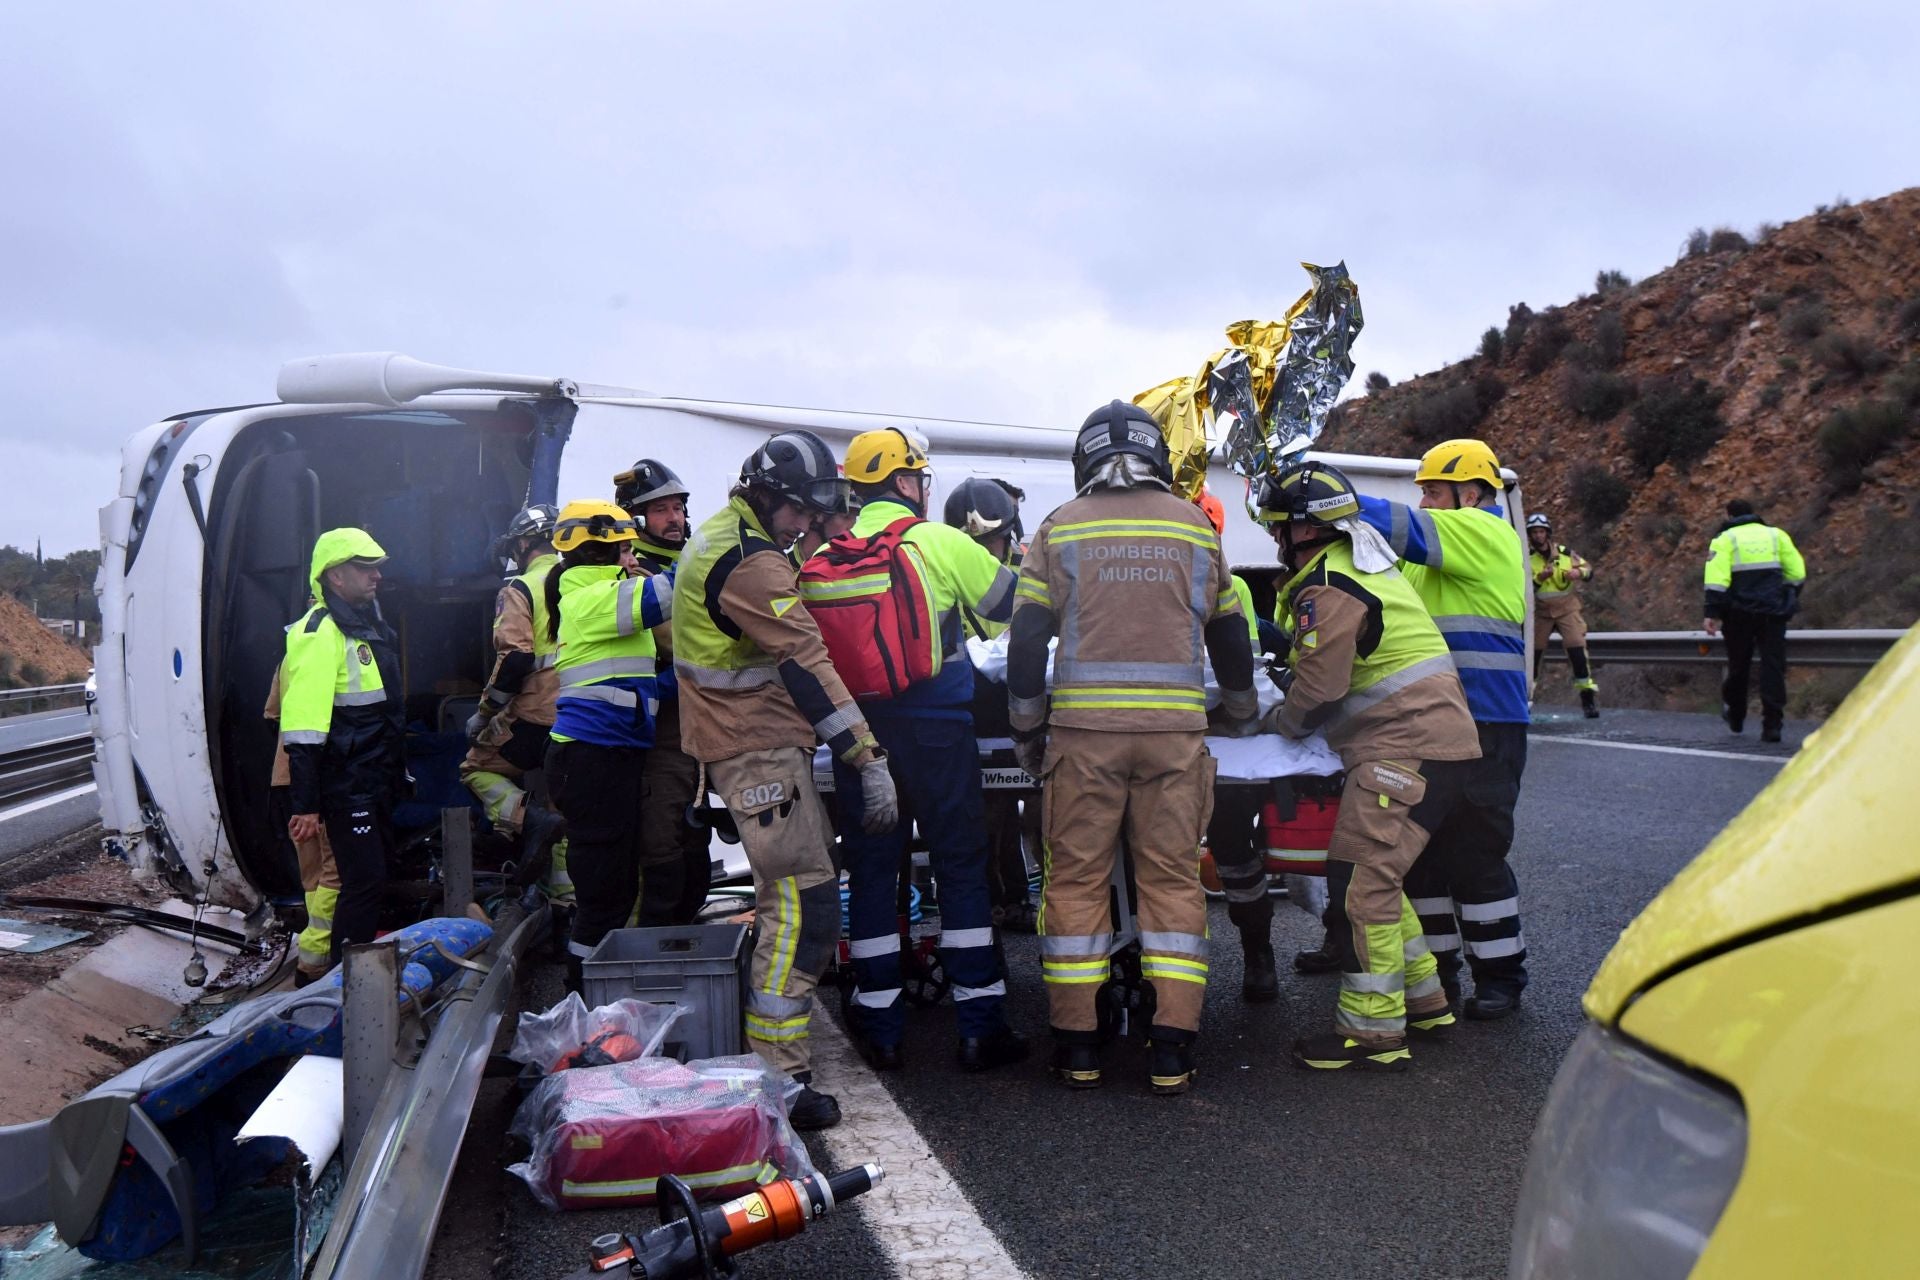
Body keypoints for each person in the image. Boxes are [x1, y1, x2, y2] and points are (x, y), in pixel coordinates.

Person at [1008, 401, 1259, 1094]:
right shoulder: (1193, 528)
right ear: (1156, 456)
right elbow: (1231, 637)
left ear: (1085, 458)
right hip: (1175, 741)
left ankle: (1078, 1048)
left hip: (1084, 743)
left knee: (1076, 884)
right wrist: (1239, 712)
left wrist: (1028, 728)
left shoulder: (1058, 530)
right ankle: (1173, 1051)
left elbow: (1027, 639)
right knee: (1174, 885)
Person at [673, 431, 899, 1131]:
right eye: (800, 513)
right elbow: (806, 662)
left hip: (753, 742)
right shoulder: (750, 562)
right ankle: (781, 1076)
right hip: (756, 748)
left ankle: (779, 1058)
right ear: (768, 498)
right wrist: (866, 756)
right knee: (804, 907)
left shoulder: (727, 537)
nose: (806, 527)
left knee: (793, 898)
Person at [808, 431, 1027, 1074]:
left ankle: (881, 1027)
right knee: (960, 865)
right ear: (908, 484)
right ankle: (979, 1025)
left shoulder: (827, 554)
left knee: (874, 872)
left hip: (860, 738)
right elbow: (1010, 610)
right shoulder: (936, 541)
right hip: (937, 726)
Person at [1255, 460, 1482, 1069]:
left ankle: (1372, 1032)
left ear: (1302, 529)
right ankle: (1426, 1001)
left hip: (1404, 748)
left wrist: (1279, 724)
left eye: (1278, 526)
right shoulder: (1359, 565)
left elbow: (1321, 690)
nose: (1275, 538)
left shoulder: (1326, 583)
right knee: (1382, 878)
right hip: (1429, 745)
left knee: (1360, 883)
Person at [1352, 438, 1532, 1020]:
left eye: (1432, 490)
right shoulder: (1428, 554)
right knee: (1421, 857)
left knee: (1475, 854)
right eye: (1423, 491)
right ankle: (1440, 978)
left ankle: (1500, 979)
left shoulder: (1484, 532)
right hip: (1430, 724)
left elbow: (1397, 524)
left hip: (1487, 722)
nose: (1424, 501)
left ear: (1472, 493)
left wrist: (1337, 497)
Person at [542, 499, 675, 985]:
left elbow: (631, 681)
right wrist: (704, 550)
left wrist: (679, 681)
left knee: (615, 889)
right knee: (603, 897)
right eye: (625, 547)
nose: (631, 556)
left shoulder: (602, 596)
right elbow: (669, 595)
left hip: (604, 757)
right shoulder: (590, 599)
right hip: (591, 760)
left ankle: (595, 993)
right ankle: (580, 997)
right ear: (607, 552)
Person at [278, 528, 406, 963]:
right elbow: (305, 730)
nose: (376, 577)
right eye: (364, 568)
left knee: (371, 881)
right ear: (335, 576)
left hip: (370, 780)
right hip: (345, 786)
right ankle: (344, 988)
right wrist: (306, 805)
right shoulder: (321, 633)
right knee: (362, 884)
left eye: (377, 568)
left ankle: (353, 983)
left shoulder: (364, 627)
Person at [614, 459, 713, 922]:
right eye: (661, 511)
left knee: (696, 834)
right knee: (664, 836)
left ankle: (684, 932)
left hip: (706, 723)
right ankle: (653, 943)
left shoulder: (690, 562)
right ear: (636, 519)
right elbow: (677, 645)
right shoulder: (635, 577)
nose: (674, 519)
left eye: (677, 508)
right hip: (664, 727)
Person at [1192, 486, 1280, 1002]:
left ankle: (1256, 955)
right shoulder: (1232, 583)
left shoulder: (1224, 585)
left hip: (1200, 740)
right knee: (1233, 852)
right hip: (1222, 742)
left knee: (1223, 851)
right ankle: (1258, 957)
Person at [943, 476, 1040, 933]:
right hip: (972, 718)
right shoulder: (942, 583)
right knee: (985, 822)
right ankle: (997, 907)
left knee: (1043, 820)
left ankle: (1048, 906)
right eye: (973, 545)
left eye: (991, 543)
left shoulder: (1029, 578)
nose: (982, 556)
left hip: (1027, 712)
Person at [460, 505, 570, 898]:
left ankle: (528, 820)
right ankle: (566, 906)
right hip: (581, 719)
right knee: (563, 811)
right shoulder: (579, 581)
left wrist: (485, 713)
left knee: (476, 767)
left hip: (535, 715)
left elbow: (516, 658)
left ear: (523, 543)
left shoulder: (519, 588)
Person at [1704, 498, 1807, 744]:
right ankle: (1772, 725)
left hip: (1738, 615)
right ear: (1753, 513)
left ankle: (1736, 715)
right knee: (1773, 667)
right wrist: (1786, 597)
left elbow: (1716, 580)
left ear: (1728, 515)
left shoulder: (1724, 540)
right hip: (1772, 614)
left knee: (1739, 666)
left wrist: (1712, 613)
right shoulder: (1776, 535)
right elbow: (1797, 573)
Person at [1526, 511, 1599, 718]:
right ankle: (1526, 701)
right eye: (1534, 532)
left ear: (1548, 533)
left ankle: (1588, 700)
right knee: (1533, 656)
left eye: (1541, 532)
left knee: (1577, 650)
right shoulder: (1527, 559)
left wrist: (1579, 573)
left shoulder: (1565, 554)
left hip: (1567, 609)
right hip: (1541, 613)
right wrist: (1540, 579)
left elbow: (1589, 570)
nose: (1538, 536)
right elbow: (1524, 588)